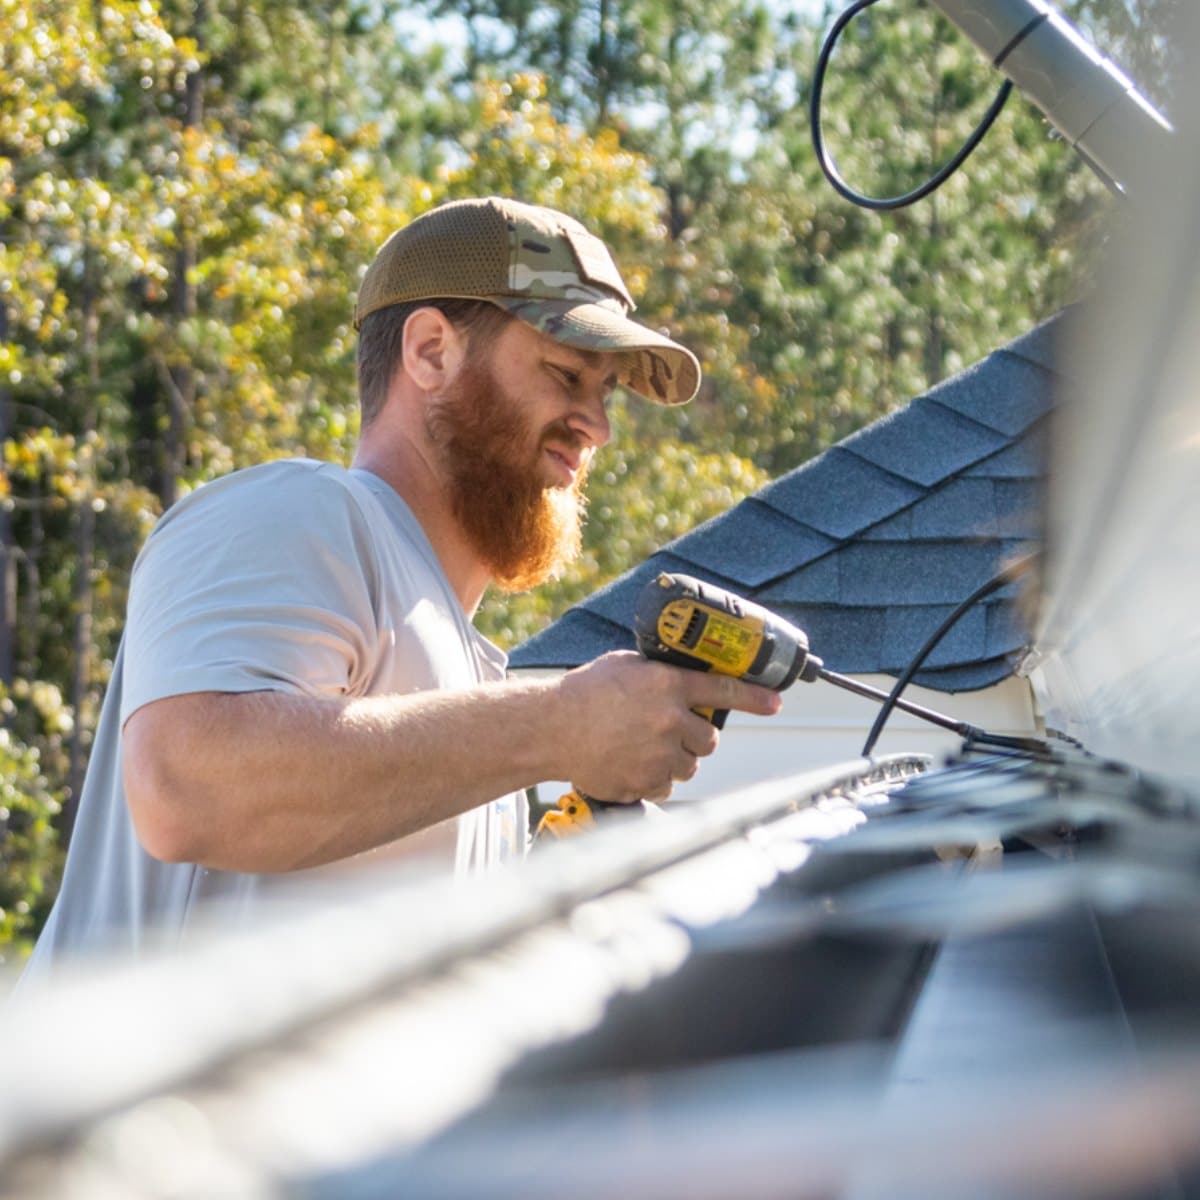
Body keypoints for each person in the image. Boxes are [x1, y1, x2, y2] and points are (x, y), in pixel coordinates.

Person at [19, 196, 781, 982]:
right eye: (565, 374)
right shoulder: (300, 512)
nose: (597, 425)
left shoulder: (469, 681)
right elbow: (185, 786)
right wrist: (558, 726)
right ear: (429, 352)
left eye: (607, 392)